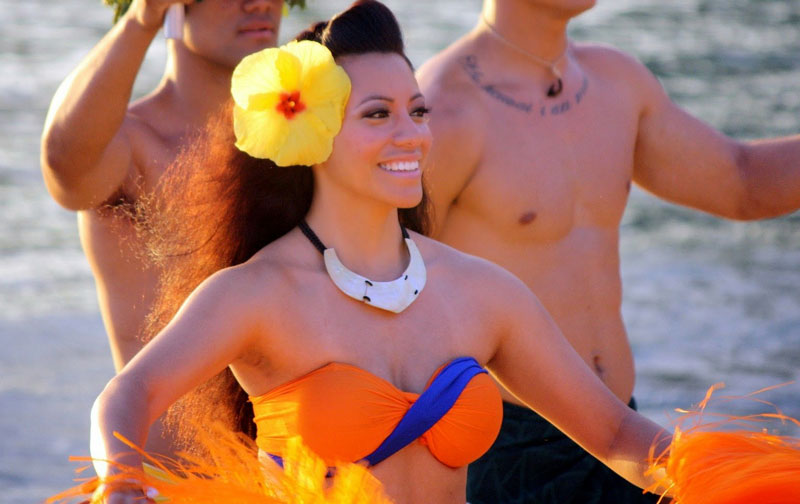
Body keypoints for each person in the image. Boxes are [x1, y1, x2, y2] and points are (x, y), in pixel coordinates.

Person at [83, 2, 677, 503]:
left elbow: (619, 434)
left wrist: (725, 474)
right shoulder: (259, 294)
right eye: (377, 115)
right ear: (313, 137)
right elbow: (127, 396)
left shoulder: (482, 293)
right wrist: (121, 481)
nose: (412, 134)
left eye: (417, 110)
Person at [414, 0, 800, 502]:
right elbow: (386, 288)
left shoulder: (615, 80)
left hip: (627, 436)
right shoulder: (443, 108)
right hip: (509, 450)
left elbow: (741, 182)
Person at [39, 0, 287, 456]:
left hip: (297, 479)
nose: (260, 4)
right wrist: (142, 17)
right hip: (163, 482)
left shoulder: (297, 141)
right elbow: (64, 167)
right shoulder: (131, 145)